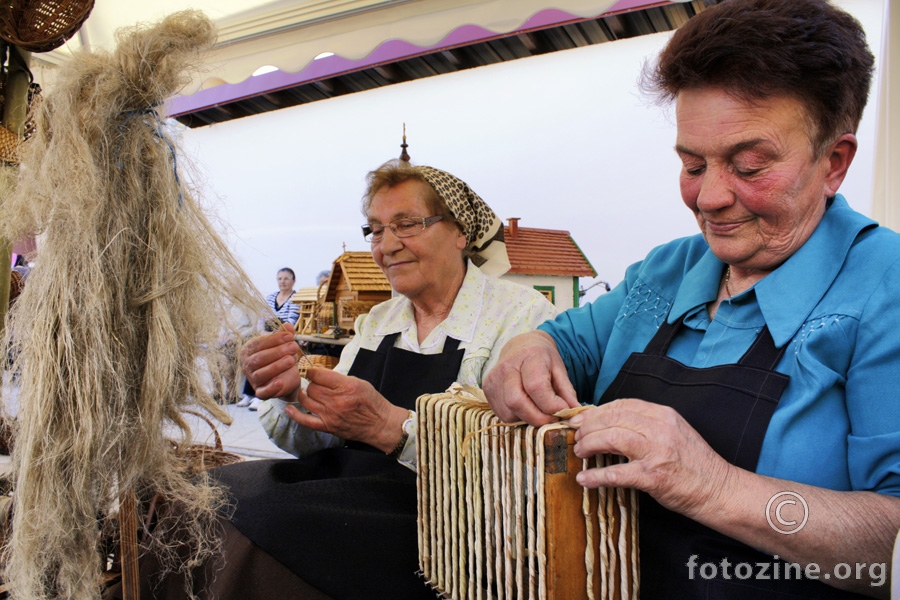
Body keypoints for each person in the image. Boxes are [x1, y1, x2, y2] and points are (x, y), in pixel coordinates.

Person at [483, 1, 898, 598]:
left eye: (749, 167)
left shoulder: (887, 287)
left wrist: (712, 486)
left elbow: (893, 551)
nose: (708, 198)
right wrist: (527, 347)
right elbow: (567, 340)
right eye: (692, 164)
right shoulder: (667, 269)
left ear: (833, 163)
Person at [129, 159, 557, 600]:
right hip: (354, 493)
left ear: (460, 232)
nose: (386, 245)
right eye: (375, 230)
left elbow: (524, 465)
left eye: (406, 224)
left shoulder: (521, 316)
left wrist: (390, 427)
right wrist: (291, 392)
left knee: (262, 529)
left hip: (445, 526)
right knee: (199, 499)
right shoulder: (377, 321)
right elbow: (320, 439)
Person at [237, 267, 300, 410]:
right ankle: (249, 394)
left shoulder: (297, 299)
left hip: (283, 337)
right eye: (280, 278)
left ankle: (260, 397)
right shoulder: (271, 297)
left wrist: (274, 334)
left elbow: (290, 321)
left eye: (286, 278)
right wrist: (263, 332)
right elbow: (262, 318)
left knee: (270, 360)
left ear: (293, 281)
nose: (282, 282)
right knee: (255, 358)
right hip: (266, 334)